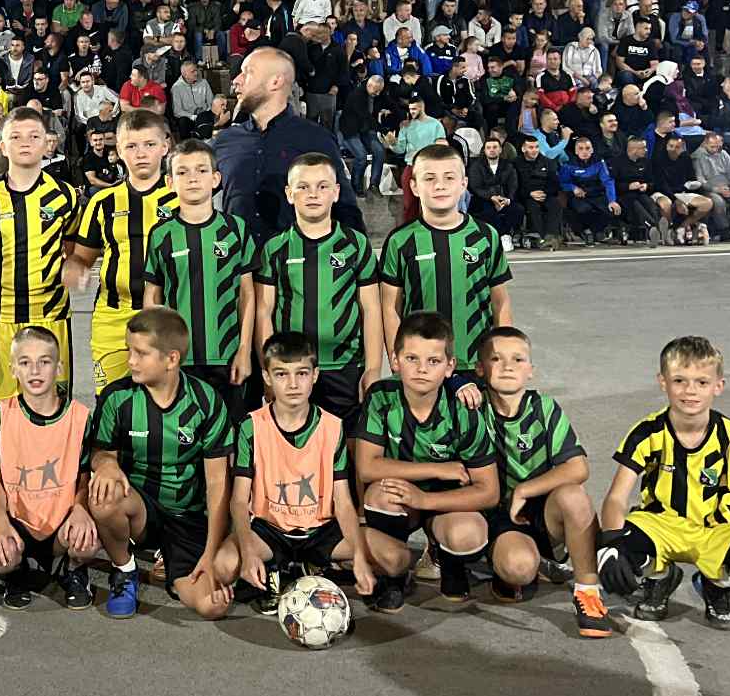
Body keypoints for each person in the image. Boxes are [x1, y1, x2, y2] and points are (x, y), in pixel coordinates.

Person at [597, 336, 730, 632]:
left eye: (702, 382)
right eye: (679, 380)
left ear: (718, 386)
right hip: (660, 526)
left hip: (718, 531)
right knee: (608, 545)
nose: (690, 390)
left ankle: (716, 585)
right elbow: (616, 498)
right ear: (663, 382)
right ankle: (659, 577)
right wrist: (612, 543)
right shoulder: (647, 432)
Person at [84, 307, 234, 621]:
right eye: (129, 350)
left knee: (213, 606)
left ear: (171, 359)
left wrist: (210, 552)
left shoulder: (206, 401)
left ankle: (173, 559)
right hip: (141, 512)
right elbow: (100, 452)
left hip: (188, 519)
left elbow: (218, 483)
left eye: (141, 353)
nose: (130, 361)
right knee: (104, 495)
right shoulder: (117, 397)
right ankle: (125, 569)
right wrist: (106, 464)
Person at [213, 331, 371, 615]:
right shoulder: (251, 426)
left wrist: (359, 555)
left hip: (321, 529)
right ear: (267, 377)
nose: (293, 384)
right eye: (281, 374)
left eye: (302, 373)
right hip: (270, 530)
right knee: (223, 567)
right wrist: (247, 552)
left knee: (393, 558)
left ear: (315, 375)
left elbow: (343, 501)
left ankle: (312, 564)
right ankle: (275, 567)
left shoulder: (333, 426)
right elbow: (238, 500)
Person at [354, 312, 500, 611]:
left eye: (433, 361)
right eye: (411, 359)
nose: (421, 369)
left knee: (468, 533)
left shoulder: (463, 410)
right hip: (402, 499)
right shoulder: (381, 396)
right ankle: (394, 574)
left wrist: (425, 499)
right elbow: (367, 467)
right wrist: (437, 469)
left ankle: (448, 561)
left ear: (450, 366)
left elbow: (489, 491)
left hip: (445, 504)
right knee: (381, 495)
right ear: (395, 361)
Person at [474, 327, 612, 637]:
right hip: (498, 515)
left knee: (573, 495)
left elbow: (578, 467)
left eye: (518, 359)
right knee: (518, 568)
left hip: (542, 509)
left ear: (531, 370)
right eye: (496, 359)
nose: (508, 367)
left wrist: (525, 489)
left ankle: (588, 593)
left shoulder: (544, 408)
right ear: (480, 369)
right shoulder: (473, 409)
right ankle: (516, 563)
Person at [254, 152, 381, 427]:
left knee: (347, 443)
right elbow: (264, 312)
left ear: (336, 193)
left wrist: (372, 368)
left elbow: (371, 309)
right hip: (291, 369)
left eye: (322, 186)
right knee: (294, 441)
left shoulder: (356, 244)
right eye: (303, 187)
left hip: (346, 367)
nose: (313, 194)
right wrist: (269, 368)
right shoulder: (275, 248)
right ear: (289, 194)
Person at [0, 107, 78, 401]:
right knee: (1, 411)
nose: (25, 143)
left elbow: (71, 248)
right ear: (3, 146)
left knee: (51, 407)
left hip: (51, 315)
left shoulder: (65, 195)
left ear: (46, 143)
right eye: (16, 137)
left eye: (34, 136)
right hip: (0, 318)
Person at [0, 324, 98, 608]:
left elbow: (84, 478)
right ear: (13, 370)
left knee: (87, 541)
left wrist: (81, 508)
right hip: (17, 522)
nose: (35, 371)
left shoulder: (80, 417)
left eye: (44, 362)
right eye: (25, 363)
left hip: (61, 523)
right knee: (0, 558)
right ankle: (17, 572)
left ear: (59, 368)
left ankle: (73, 568)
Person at [142, 139, 257, 420]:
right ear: (170, 182)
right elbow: (152, 298)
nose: (193, 178)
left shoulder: (236, 229)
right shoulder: (161, 234)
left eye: (201, 170)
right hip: (177, 357)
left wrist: (244, 351)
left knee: (230, 434)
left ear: (215, 179)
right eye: (182, 172)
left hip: (226, 356)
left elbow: (247, 295)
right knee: (182, 432)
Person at [375, 142, 514, 372]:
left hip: (475, 364)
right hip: (421, 367)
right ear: (414, 186)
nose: (440, 185)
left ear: (463, 184)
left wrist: (503, 352)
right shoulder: (400, 241)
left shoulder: (486, 236)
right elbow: (391, 308)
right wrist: (396, 358)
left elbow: (500, 302)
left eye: (449, 178)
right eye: (429, 178)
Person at [68, 108, 175, 390]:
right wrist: (74, 269)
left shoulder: (180, 199)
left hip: (168, 318)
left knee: (162, 403)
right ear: (118, 149)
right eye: (131, 146)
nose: (141, 154)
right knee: (111, 403)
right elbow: (82, 257)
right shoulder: (103, 202)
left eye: (149, 144)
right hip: (113, 319)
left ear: (165, 146)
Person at [213, 45, 361, 238]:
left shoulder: (316, 139)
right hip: (239, 255)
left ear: (275, 81)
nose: (236, 80)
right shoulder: (225, 141)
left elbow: (345, 208)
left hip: (295, 255)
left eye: (247, 72)